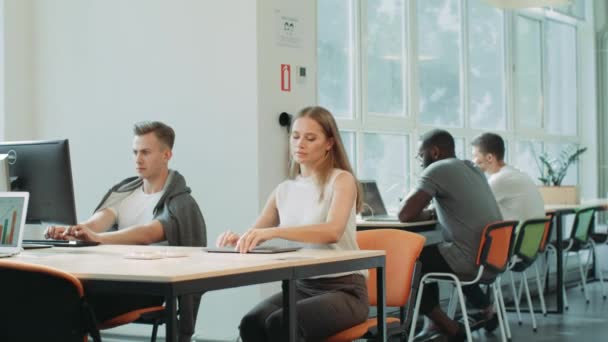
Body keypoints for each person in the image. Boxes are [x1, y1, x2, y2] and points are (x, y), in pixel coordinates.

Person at [216, 106, 368, 342]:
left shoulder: (341, 180)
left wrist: (274, 232)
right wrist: (239, 239)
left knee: (281, 324)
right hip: (301, 286)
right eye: (295, 137)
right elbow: (257, 233)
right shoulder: (284, 190)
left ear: (329, 143)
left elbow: (332, 232)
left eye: (310, 138)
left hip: (344, 289)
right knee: (252, 323)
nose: (300, 144)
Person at [45, 121, 206, 342]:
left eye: (145, 152)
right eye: (135, 152)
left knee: (71, 308)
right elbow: (96, 223)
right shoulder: (124, 192)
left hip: (146, 289)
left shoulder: (179, 203)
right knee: (55, 299)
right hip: (109, 280)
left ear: (166, 154)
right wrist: (71, 231)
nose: (138, 159)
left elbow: (148, 233)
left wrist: (99, 239)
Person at [398, 129, 503, 341]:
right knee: (429, 256)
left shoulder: (437, 169)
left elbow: (405, 214)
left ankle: (447, 325)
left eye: (420, 155)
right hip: (491, 259)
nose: (419, 161)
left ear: (434, 152)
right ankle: (482, 307)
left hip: (469, 260)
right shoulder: (472, 168)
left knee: (409, 261)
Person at [471, 132, 545, 221]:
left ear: (489, 158)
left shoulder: (499, 179)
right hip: (533, 233)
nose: (473, 161)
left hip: (516, 233)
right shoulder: (514, 173)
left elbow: (476, 208)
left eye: (475, 156)